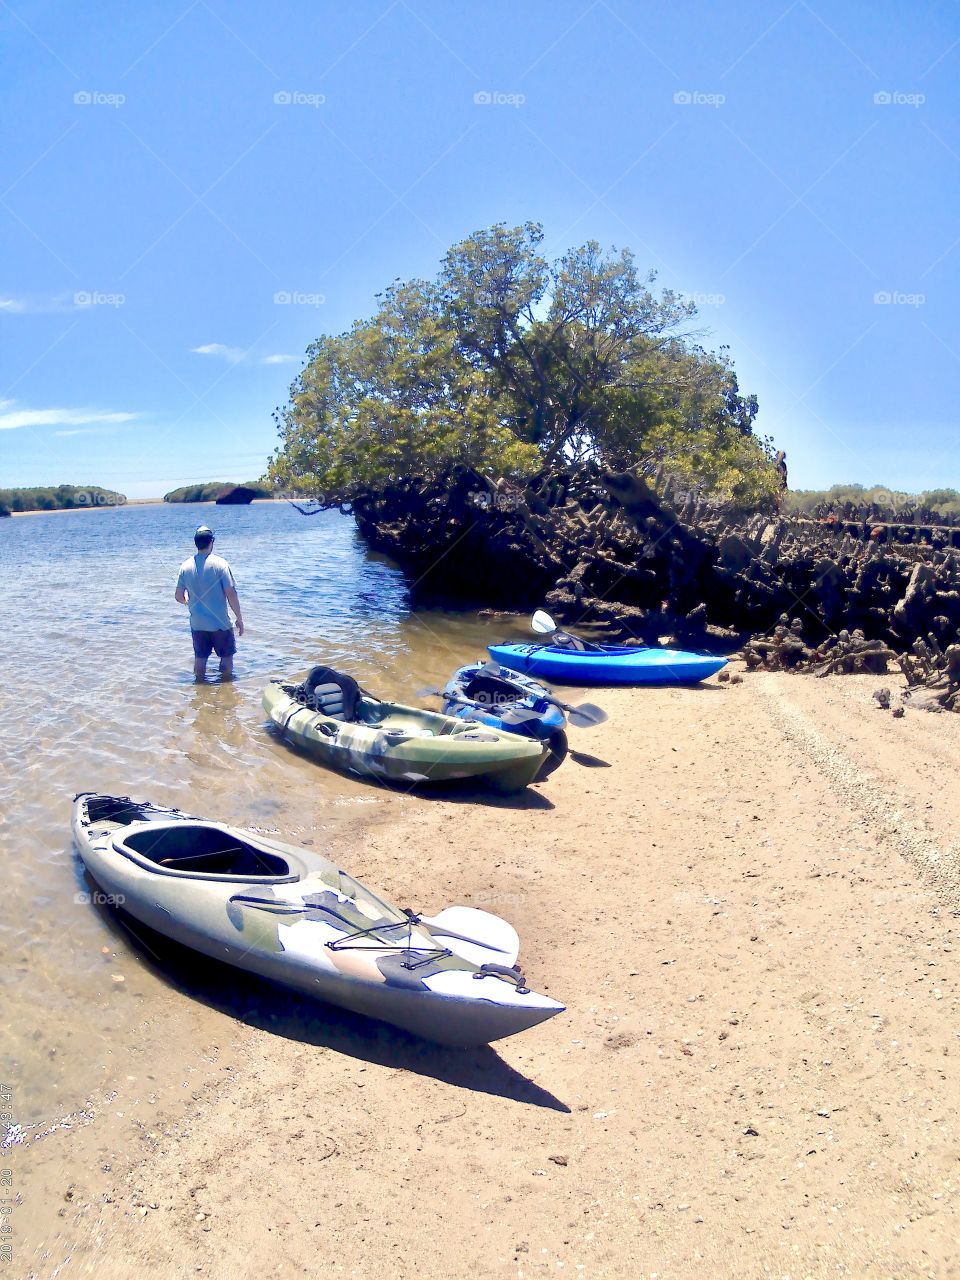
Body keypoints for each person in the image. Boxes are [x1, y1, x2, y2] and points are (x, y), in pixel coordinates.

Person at [175, 526, 244, 681]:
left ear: (196, 543)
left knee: (200, 659)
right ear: (211, 542)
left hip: (197, 623)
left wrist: (189, 604)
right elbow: (231, 594)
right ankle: (226, 688)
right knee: (226, 657)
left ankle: (199, 688)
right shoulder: (221, 564)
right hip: (220, 623)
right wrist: (239, 618)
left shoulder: (185, 566)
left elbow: (179, 596)